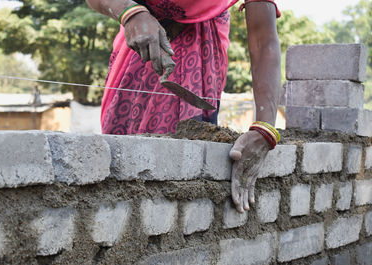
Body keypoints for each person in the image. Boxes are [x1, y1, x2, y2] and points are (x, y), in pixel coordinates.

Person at [86, 0, 281, 213]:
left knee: (180, 184)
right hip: (139, 49)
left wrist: (265, 129)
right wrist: (130, 13)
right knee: (119, 177)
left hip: (200, 57)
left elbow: (264, 41)